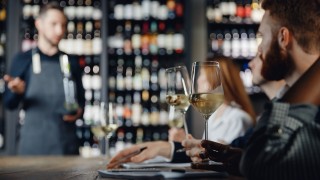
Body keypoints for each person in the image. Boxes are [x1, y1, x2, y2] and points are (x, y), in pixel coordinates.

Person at [200, 0, 320, 178]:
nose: (259, 49)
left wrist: (248, 159)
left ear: (283, 38)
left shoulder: (308, 114)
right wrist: (241, 158)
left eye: (262, 37)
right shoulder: (286, 103)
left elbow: (264, 161)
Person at [107, 56, 256, 168]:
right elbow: (206, 154)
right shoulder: (214, 116)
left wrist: (177, 145)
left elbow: (224, 159)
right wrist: (184, 145)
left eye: (201, 77)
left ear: (215, 82)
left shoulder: (238, 118)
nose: (197, 82)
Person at [4, 2, 85, 155]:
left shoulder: (71, 61)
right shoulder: (22, 60)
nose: (59, 30)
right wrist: (16, 92)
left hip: (66, 146)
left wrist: (78, 111)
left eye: (63, 25)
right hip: (32, 147)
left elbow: (81, 101)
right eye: (54, 24)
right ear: (39, 24)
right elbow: (9, 104)